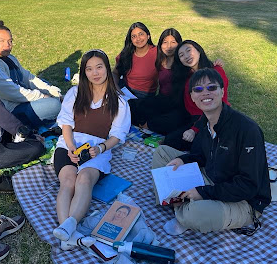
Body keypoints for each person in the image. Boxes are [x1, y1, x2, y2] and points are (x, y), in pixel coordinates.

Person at [152, 68, 271, 235]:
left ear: (222, 91)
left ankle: (181, 206)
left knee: (196, 213)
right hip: (211, 177)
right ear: (192, 97)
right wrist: (183, 160)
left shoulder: (247, 129)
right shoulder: (205, 122)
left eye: (211, 87)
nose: (205, 93)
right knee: (162, 153)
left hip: (244, 201)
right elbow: (203, 156)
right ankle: (180, 202)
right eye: (198, 90)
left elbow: (248, 186)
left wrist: (201, 193)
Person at [52, 50, 131, 247]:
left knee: (84, 179)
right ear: (84, 72)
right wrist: (71, 147)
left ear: (106, 68)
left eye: (99, 67)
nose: (95, 73)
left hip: (97, 149)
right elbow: (66, 125)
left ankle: (68, 231)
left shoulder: (119, 100)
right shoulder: (75, 93)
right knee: (68, 181)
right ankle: (67, 231)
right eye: (89, 69)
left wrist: (102, 148)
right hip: (69, 145)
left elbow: (117, 135)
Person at [0, 20, 62, 129]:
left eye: (10, 41)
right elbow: (15, 93)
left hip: (23, 98)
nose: (7, 45)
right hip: (13, 110)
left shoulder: (10, 58)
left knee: (45, 84)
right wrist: (43, 96)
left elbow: (28, 77)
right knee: (54, 105)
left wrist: (51, 91)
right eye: (1, 41)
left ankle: (53, 108)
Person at [163, 40, 229, 150]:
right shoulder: (187, 76)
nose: (187, 56)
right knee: (167, 135)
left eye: (189, 50)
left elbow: (218, 107)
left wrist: (194, 129)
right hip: (192, 117)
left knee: (194, 147)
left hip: (211, 118)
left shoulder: (216, 71)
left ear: (198, 50)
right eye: (181, 55)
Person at [131, 28, 183, 130]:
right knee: (139, 107)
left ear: (179, 44)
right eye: (165, 42)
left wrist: (217, 64)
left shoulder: (183, 61)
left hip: (178, 103)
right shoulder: (159, 59)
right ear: (160, 44)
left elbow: (198, 61)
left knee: (158, 122)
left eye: (173, 42)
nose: (169, 46)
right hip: (161, 99)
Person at [113, 22, 158, 100]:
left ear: (148, 35)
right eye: (134, 36)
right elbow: (115, 73)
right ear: (131, 40)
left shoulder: (157, 52)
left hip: (145, 95)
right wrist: (117, 88)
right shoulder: (126, 53)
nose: (138, 39)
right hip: (125, 90)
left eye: (141, 34)